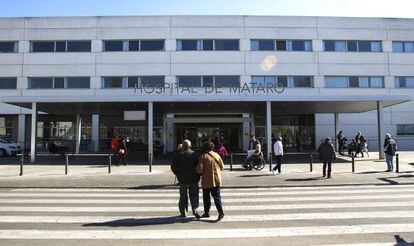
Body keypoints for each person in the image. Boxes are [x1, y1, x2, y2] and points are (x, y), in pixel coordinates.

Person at [170, 140, 201, 218]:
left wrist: (178, 174)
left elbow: (173, 166)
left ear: (182, 146)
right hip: (194, 178)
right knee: (194, 195)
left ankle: (183, 212)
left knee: (183, 195)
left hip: (182, 179)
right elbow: (199, 166)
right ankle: (195, 209)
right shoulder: (195, 154)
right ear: (190, 146)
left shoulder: (178, 155)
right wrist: (199, 175)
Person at [197, 141, 225, 221]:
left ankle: (206, 212)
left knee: (206, 197)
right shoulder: (216, 155)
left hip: (206, 180)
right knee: (217, 197)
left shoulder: (203, 156)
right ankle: (220, 212)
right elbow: (222, 166)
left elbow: (199, 169)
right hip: (216, 179)